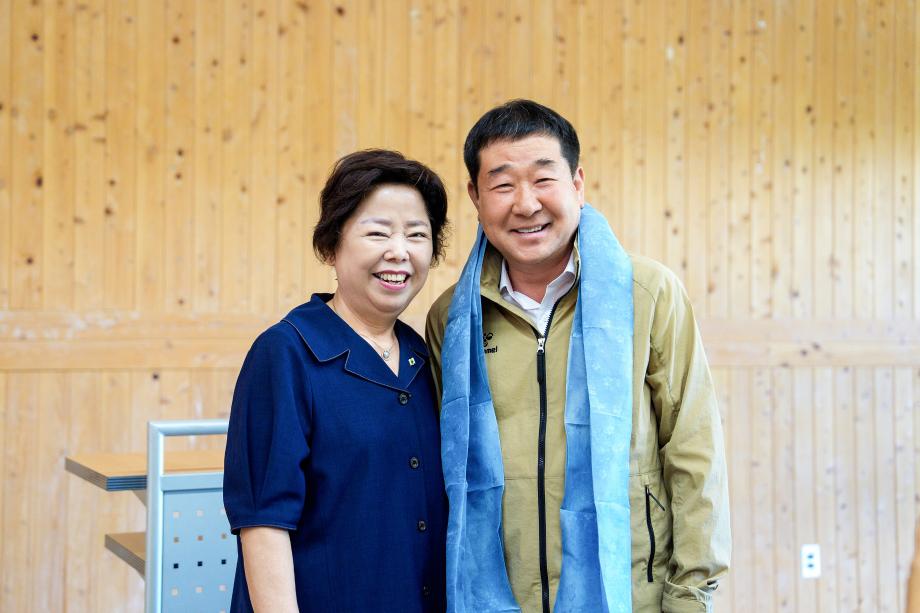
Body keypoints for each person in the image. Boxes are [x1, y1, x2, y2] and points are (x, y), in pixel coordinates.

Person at [426, 100, 730, 613]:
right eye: (502, 185)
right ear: (475, 197)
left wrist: (690, 598)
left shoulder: (647, 293)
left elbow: (693, 449)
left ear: (577, 183)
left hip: (631, 595)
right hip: (498, 598)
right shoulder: (453, 319)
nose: (526, 204)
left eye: (543, 179)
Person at [224, 149, 449, 612]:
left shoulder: (426, 356)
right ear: (331, 246)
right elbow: (263, 523)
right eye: (378, 232)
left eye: (417, 234)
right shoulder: (286, 353)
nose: (399, 252)